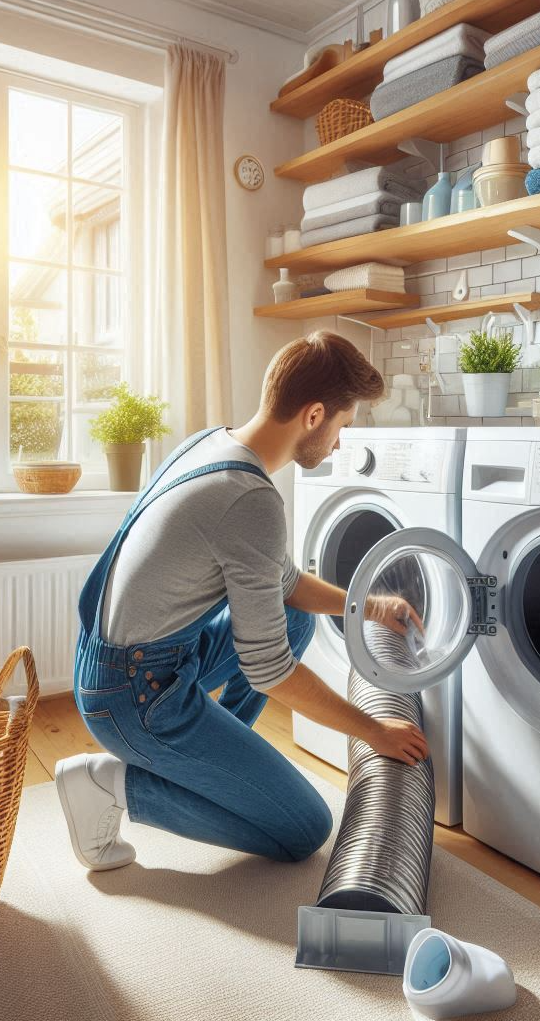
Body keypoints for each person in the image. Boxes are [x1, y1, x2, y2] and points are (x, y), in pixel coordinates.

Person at [55, 331, 429, 871]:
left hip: (126, 664)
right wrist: (373, 730)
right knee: (305, 828)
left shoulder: (214, 445)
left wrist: (370, 605)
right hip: (134, 696)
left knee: (295, 615)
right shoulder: (250, 500)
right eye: (343, 428)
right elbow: (270, 671)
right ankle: (109, 784)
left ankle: (215, 760)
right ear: (314, 415)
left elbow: (287, 586)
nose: (340, 444)